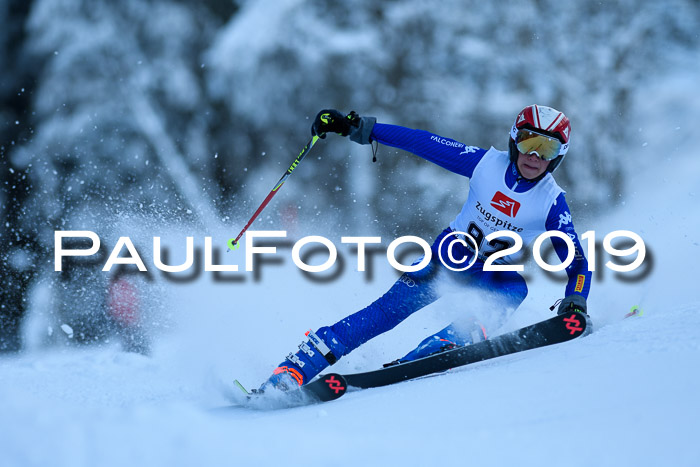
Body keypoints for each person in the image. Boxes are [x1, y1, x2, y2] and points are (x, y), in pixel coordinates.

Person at [260, 105, 590, 390]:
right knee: (385, 313)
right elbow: (423, 142)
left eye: (546, 149)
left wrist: (576, 298)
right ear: (514, 140)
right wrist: (359, 128)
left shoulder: (551, 202)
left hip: (493, 272)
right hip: (446, 259)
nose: (534, 156)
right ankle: (294, 370)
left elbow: (576, 261)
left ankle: (441, 347)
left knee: (515, 288)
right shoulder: (485, 165)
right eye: (530, 142)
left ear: (558, 156)